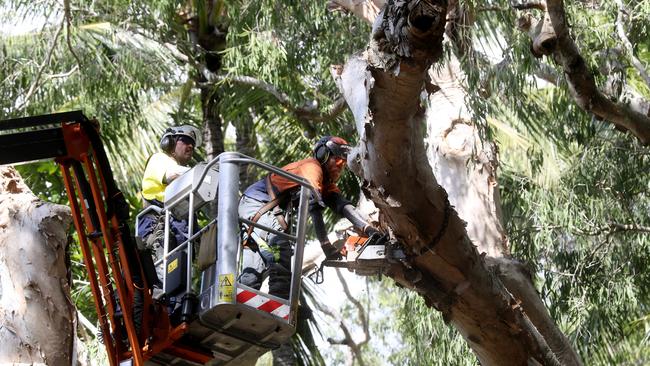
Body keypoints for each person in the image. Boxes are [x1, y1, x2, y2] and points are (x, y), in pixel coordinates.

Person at [239, 136, 380, 299]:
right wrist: (326, 245)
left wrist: (369, 229)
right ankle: (280, 301)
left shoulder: (325, 182)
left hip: (255, 208)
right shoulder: (312, 167)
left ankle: (242, 307)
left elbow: (341, 205)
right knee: (280, 246)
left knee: (254, 268)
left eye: (342, 163)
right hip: (256, 203)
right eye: (336, 160)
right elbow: (314, 207)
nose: (340, 167)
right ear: (323, 155)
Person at [138, 125, 201, 287]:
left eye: (192, 143)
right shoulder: (160, 159)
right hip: (159, 227)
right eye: (185, 141)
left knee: (179, 285)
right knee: (163, 283)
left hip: (179, 232)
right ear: (170, 144)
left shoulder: (188, 175)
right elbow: (172, 174)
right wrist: (203, 172)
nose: (191, 146)